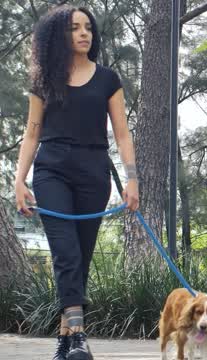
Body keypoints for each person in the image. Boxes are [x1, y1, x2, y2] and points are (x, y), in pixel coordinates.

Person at [14, 5, 139, 360]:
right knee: (65, 253)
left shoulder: (108, 79)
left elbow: (123, 134)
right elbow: (31, 133)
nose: (84, 33)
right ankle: (80, 336)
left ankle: (65, 338)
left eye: (88, 27)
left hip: (93, 172)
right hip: (52, 170)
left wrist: (132, 180)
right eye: (75, 28)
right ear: (59, 35)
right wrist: (19, 180)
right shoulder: (43, 81)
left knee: (80, 257)